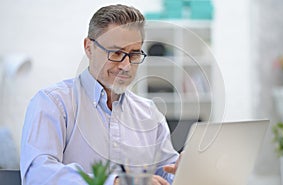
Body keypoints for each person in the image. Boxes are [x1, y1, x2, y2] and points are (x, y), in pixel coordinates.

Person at [20, 4, 180, 185]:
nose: (125, 65)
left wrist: (183, 170)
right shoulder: (53, 103)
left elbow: (167, 173)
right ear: (89, 48)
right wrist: (116, 182)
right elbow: (38, 174)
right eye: (116, 53)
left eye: (134, 54)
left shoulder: (149, 113)